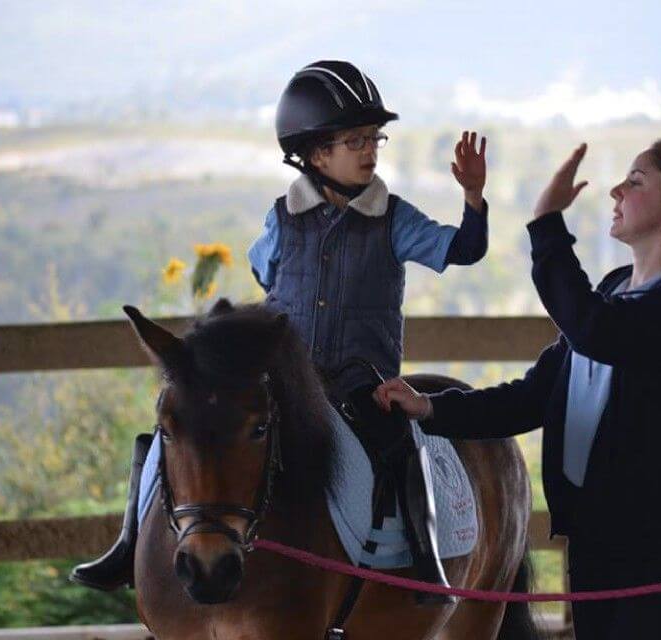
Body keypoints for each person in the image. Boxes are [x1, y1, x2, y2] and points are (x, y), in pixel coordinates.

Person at [71, 61, 489, 604]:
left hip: (360, 379)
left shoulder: (395, 218)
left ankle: (428, 564)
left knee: (400, 443)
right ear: (315, 154)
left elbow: (464, 249)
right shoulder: (282, 218)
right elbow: (265, 271)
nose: (370, 150)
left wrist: (473, 198)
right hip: (286, 376)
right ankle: (128, 545)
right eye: (356, 140)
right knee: (177, 427)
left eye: (374, 138)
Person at [375, 139, 661, 637]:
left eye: (636, 182)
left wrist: (547, 223)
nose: (617, 191)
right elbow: (532, 398)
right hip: (597, 531)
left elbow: (593, 327)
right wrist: (429, 408)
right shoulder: (614, 292)